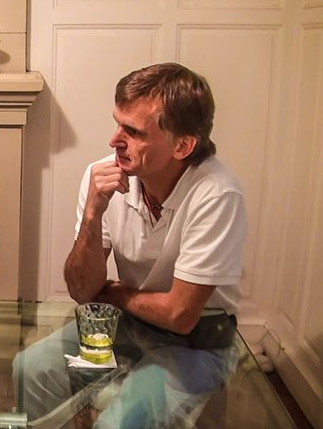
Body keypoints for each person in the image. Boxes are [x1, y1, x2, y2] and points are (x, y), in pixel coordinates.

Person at [14, 62, 247, 427]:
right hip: (128, 324)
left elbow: (180, 315)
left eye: (133, 131)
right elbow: (82, 290)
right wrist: (93, 212)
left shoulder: (217, 194)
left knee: (120, 422)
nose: (114, 140)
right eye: (118, 123)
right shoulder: (103, 176)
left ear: (182, 145)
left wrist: (113, 292)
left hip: (199, 339)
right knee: (29, 368)